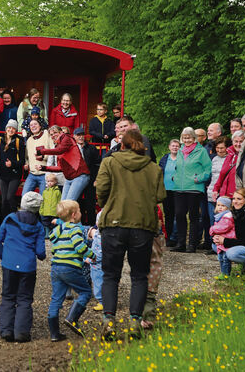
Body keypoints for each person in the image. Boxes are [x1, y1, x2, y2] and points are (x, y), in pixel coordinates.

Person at [96, 130, 166, 339]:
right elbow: (160, 195)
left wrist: (107, 206)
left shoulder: (109, 162)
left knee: (110, 275)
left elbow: (101, 189)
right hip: (142, 226)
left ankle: (109, 321)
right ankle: (135, 321)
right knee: (139, 276)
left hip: (113, 225)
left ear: (122, 145)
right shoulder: (154, 169)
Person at [0, 191, 46, 343]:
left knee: (8, 296)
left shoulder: (10, 218)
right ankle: (21, 333)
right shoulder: (38, 226)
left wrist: (5, 256)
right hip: (27, 266)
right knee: (24, 299)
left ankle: (6, 330)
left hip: (9, 263)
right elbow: (40, 252)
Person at [47, 200, 94, 341]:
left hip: (56, 267)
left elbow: (54, 249)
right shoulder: (75, 229)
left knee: (56, 298)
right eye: (79, 210)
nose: (80, 213)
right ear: (74, 215)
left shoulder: (56, 230)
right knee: (85, 292)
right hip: (70, 268)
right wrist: (92, 255)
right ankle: (72, 318)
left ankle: (54, 334)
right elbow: (80, 247)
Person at [170, 127, 212, 253]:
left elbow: (208, 169)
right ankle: (181, 243)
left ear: (194, 138)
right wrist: (175, 176)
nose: (187, 139)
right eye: (184, 137)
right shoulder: (181, 150)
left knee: (193, 217)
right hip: (179, 188)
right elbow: (178, 167)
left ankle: (192, 245)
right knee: (179, 214)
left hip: (194, 188)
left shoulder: (201, 151)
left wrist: (198, 178)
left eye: (189, 137)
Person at [36, 125, 90, 201]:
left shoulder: (66, 137)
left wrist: (42, 151)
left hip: (80, 176)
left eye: (55, 133)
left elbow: (60, 150)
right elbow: (60, 168)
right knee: (63, 203)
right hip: (69, 178)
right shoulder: (58, 147)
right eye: (51, 134)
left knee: (68, 202)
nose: (53, 135)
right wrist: (43, 168)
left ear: (61, 132)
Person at [0, 120, 26, 219]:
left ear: (16, 130)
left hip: (14, 175)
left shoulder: (18, 142)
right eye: (9, 127)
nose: (11, 130)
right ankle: (5, 221)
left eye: (13, 128)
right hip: (3, 174)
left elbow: (22, 161)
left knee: (10, 197)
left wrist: (12, 164)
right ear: (6, 128)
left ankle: (15, 218)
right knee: (3, 200)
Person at [218, 188, 245, 270]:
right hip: (243, 245)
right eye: (233, 198)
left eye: (239, 199)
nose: (235, 201)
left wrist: (225, 241)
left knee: (231, 253)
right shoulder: (236, 213)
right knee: (215, 245)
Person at [74, 127, 101, 225]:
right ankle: (79, 224)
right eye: (78, 135)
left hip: (90, 178)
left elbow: (98, 163)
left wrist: (97, 178)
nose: (81, 137)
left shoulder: (91, 148)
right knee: (78, 202)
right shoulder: (72, 148)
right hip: (76, 179)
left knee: (91, 203)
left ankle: (91, 225)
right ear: (74, 137)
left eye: (82, 135)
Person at [159, 139, 181, 247]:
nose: (175, 148)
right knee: (168, 214)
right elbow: (159, 171)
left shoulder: (182, 158)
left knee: (178, 213)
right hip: (166, 189)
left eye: (177, 146)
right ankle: (168, 237)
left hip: (178, 189)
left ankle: (175, 237)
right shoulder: (165, 158)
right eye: (173, 146)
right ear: (169, 147)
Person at [23, 119, 53, 195]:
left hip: (45, 174)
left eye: (35, 124)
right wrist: (26, 163)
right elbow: (26, 156)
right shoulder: (29, 140)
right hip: (32, 174)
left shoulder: (46, 135)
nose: (33, 126)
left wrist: (44, 157)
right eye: (31, 125)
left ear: (40, 126)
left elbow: (53, 151)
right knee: (24, 196)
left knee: (43, 198)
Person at [213, 130, 245, 199]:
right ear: (232, 142)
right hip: (224, 195)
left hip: (239, 196)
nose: (238, 144)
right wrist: (216, 189)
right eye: (236, 141)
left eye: (241, 141)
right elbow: (222, 173)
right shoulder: (230, 155)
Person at [210, 196, 236, 277]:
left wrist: (212, 229)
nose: (220, 207)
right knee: (220, 258)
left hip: (227, 240)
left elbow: (223, 227)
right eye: (218, 205)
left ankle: (226, 274)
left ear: (228, 207)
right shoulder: (220, 216)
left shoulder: (228, 216)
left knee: (225, 259)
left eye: (223, 206)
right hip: (221, 242)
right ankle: (223, 273)